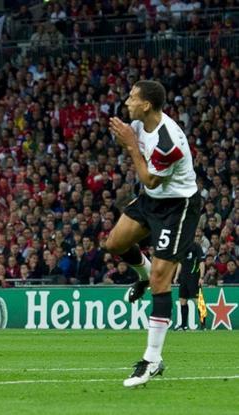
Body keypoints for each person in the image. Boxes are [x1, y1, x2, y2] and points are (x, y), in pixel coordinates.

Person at [107, 80, 201, 388]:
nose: (128, 101)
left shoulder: (168, 142)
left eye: (133, 97)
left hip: (178, 206)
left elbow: (149, 180)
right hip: (153, 201)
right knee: (116, 243)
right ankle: (144, 274)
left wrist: (131, 145)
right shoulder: (138, 122)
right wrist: (128, 138)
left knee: (163, 279)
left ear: (147, 105)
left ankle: (152, 359)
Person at [172, 241, 205, 330]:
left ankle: (203, 325)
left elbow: (201, 262)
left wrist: (201, 277)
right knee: (182, 300)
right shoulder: (182, 246)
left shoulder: (196, 246)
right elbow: (180, 262)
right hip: (184, 278)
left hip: (194, 277)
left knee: (198, 301)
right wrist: (176, 276)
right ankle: (183, 325)